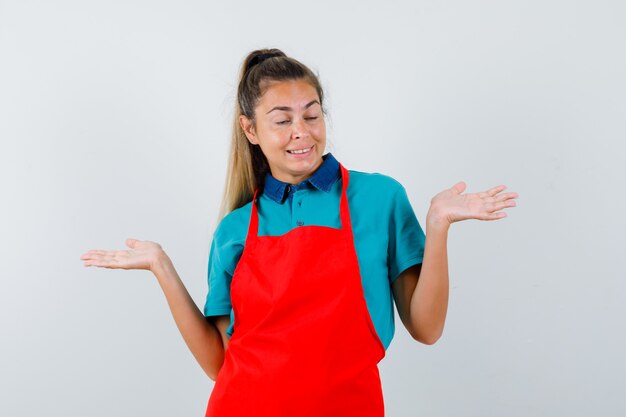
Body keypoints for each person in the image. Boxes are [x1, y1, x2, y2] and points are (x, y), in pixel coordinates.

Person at [80, 48, 518, 417]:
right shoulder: (235, 230)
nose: (301, 133)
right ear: (250, 129)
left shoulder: (379, 198)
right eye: (282, 120)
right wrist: (162, 267)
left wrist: (437, 225)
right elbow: (220, 363)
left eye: (311, 115)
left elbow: (426, 328)